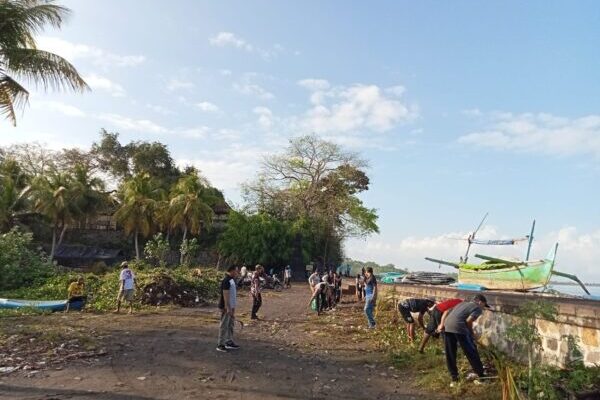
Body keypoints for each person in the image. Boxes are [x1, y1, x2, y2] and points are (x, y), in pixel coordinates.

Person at [443, 294, 491, 386]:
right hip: (459, 327)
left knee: (450, 353)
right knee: (471, 352)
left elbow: (448, 312)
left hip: (448, 326)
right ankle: (482, 377)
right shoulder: (477, 308)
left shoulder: (461, 304)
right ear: (480, 302)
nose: (483, 308)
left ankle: (454, 379)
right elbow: (468, 321)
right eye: (484, 305)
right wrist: (471, 333)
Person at [217, 265, 240, 352]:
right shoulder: (226, 280)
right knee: (224, 325)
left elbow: (232, 295)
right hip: (226, 307)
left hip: (231, 306)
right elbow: (225, 295)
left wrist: (233, 308)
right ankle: (220, 344)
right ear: (232, 271)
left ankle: (228, 341)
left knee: (230, 325)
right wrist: (228, 307)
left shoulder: (231, 280)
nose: (238, 273)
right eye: (237, 271)